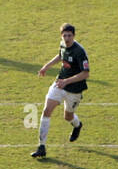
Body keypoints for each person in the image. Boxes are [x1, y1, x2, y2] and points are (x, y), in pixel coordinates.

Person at [31, 23, 89, 159]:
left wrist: (67, 82)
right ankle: (41, 146)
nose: (67, 38)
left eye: (69, 36)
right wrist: (46, 66)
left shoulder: (80, 52)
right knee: (46, 111)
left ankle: (77, 125)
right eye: (64, 36)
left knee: (68, 116)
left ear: (74, 36)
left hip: (74, 89)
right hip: (59, 83)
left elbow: (85, 74)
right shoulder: (63, 44)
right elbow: (60, 56)